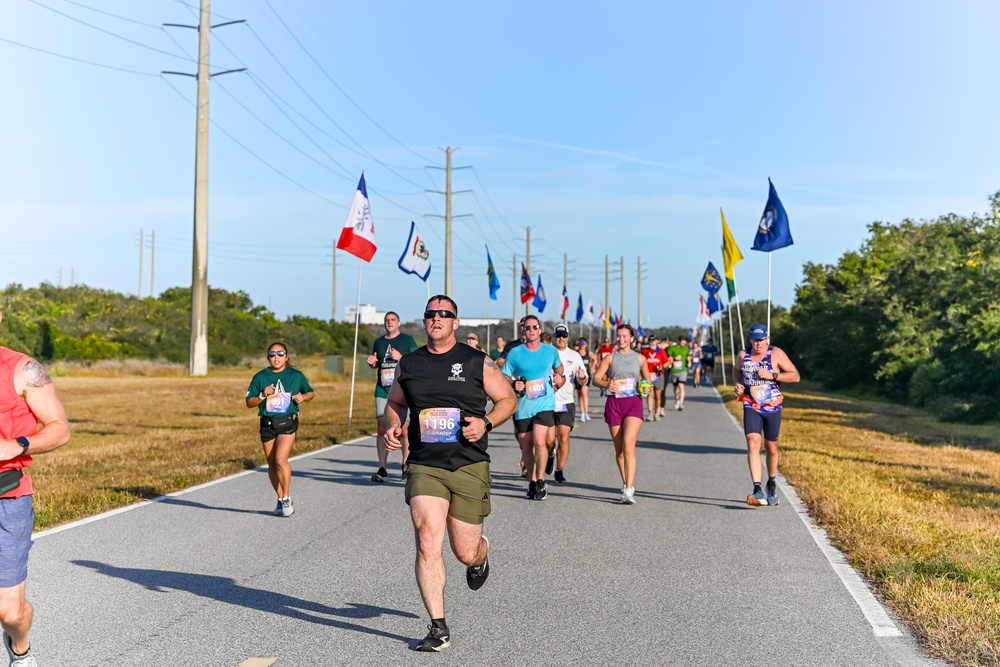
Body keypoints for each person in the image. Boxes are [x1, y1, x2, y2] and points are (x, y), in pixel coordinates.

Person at [384, 295, 516, 652]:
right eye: (431, 314)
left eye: (445, 314)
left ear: (456, 323)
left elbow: (507, 400)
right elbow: (394, 403)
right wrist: (394, 425)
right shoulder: (408, 364)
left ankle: (481, 555)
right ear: (425, 321)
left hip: (469, 463)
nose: (437, 318)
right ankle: (438, 627)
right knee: (427, 538)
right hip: (426, 463)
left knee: (464, 551)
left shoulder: (477, 362)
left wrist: (486, 422)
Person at [0, 314, 71, 667]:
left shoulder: (22, 369)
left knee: (9, 612)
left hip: (7, 498)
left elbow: (59, 429)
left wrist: (17, 445)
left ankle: (20, 647)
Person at [733, 324, 800, 507]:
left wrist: (773, 375)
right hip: (751, 404)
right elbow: (736, 371)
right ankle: (757, 489)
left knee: (771, 448)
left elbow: (795, 376)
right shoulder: (743, 355)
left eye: (762, 340)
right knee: (753, 442)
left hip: (772, 407)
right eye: (755, 340)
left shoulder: (775, 353)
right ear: (750, 340)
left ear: (767, 339)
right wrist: (738, 385)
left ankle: (771, 482)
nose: (758, 344)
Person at [245, 342, 315, 516]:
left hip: (287, 421)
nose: (276, 357)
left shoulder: (296, 376)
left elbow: (310, 392)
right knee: (271, 463)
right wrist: (263, 394)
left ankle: (286, 498)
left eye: (280, 353)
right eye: (272, 354)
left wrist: (303, 397)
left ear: (287, 357)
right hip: (268, 423)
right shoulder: (260, 377)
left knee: (280, 460)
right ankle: (281, 498)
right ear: (268, 357)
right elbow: (249, 402)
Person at [502, 314, 565, 500]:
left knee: (539, 441)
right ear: (523, 330)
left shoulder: (550, 351)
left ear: (539, 330)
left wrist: (558, 379)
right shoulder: (515, 353)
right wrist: (514, 384)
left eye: (534, 327)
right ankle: (531, 480)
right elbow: (504, 375)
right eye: (527, 327)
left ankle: (541, 481)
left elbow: (559, 370)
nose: (531, 330)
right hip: (523, 405)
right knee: (527, 446)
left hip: (545, 403)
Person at [592, 324, 652, 504]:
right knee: (619, 451)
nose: (621, 339)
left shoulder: (640, 359)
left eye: (625, 336)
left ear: (632, 338)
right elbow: (596, 378)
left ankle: (628, 490)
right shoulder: (610, 358)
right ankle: (626, 483)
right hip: (614, 403)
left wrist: (645, 388)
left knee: (628, 446)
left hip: (633, 403)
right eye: (618, 336)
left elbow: (648, 381)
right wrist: (606, 384)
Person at [367, 312, 418, 483]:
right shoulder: (379, 342)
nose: (389, 322)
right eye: (386, 320)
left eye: (392, 320)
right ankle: (382, 468)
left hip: (403, 390)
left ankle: (405, 464)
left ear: (399, 323)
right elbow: (377, 364)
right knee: (382, 428)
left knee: (403, 429)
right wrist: (373, 363)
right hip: (383, 390)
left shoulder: (407, 341)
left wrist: (401, 358)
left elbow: (415, 362)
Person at [552, 325, 588, 482]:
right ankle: (549, 454)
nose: (561, 338)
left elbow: (584, 379)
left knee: (564, 438)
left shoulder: (574, 356)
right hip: (547, 402)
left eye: (564, 336)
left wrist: (582, 377)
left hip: (566, 402)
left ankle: (559, 470)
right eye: (558, 335)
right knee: (547, 440)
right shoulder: (547, 353)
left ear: (568, 337)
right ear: (554, 336)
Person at [640, 335, 666, 421]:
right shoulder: (645, 351)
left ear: (656, 342)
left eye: (653, 341)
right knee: (649, 394)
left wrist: (661, 366)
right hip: (648, 376)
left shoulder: (661, 351)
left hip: (658, 376)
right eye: (650, 341)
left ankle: (657, 412)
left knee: (658, 396)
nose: (652, 343)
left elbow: (667, 362)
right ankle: (650, 413)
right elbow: (641, 363)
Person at [574, 338, 597, 421]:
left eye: (583, 344)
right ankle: (582, 413)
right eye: (581, 344)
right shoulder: (575, 354)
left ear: (586, 345)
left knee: (584, 393)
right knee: (580, 395)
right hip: (577, 377)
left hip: (586, 377)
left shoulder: (588, 353)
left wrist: (593, 366)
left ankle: (586, 412)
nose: (582, 346)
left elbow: (595, 359)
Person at [665, 336, 690, 410]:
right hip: (674, 370)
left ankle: (681, 403)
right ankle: (677, 399)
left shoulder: (686, 348)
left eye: (685, 342)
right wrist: (674, 358)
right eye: (682, 342)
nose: (684, 343)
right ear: (679, 341)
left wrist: (689, 361)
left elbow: (688, 356)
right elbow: (667, 357)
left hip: (683, 370)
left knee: (681, 386)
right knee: (675, 387)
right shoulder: (672, 348)